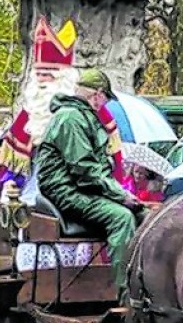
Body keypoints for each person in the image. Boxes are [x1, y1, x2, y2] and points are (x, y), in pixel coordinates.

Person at [33, 67, 141, 293]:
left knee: (146, 216)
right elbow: (84, 169)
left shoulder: (82, 117)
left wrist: (122, 194)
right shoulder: (70, 118)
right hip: (67, 191)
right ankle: (125, 294)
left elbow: (95, 169)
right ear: (98, 94)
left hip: (84, 189)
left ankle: (148, 284)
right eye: (105, 99)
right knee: (121, 218)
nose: (105, 105)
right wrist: (120, 196)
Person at [0, 17, 126, 200]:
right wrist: (10, 183)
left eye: (48, 75)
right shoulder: (29, 114)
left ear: (66, 79)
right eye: (38, 74)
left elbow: (112, 162)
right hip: (33, 194)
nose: (41, 81)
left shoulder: (95, 113)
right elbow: (15, 167)